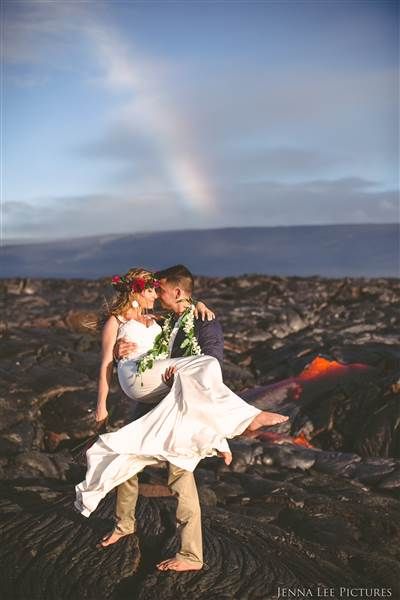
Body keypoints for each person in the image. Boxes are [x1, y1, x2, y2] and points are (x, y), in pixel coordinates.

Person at [74, 266, 289, 572]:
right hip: (152, 402)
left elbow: (211, 366)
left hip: (183, 412)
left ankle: (191, 555)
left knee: (181, 477)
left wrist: (197, 311)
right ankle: (124, 525)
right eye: (151, 289)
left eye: (159, 289)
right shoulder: (163, 319)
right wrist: (122, 352)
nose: (156, 294)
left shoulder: (204, 322)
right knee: (125, 459)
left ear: (175, 292)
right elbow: (124, 352)